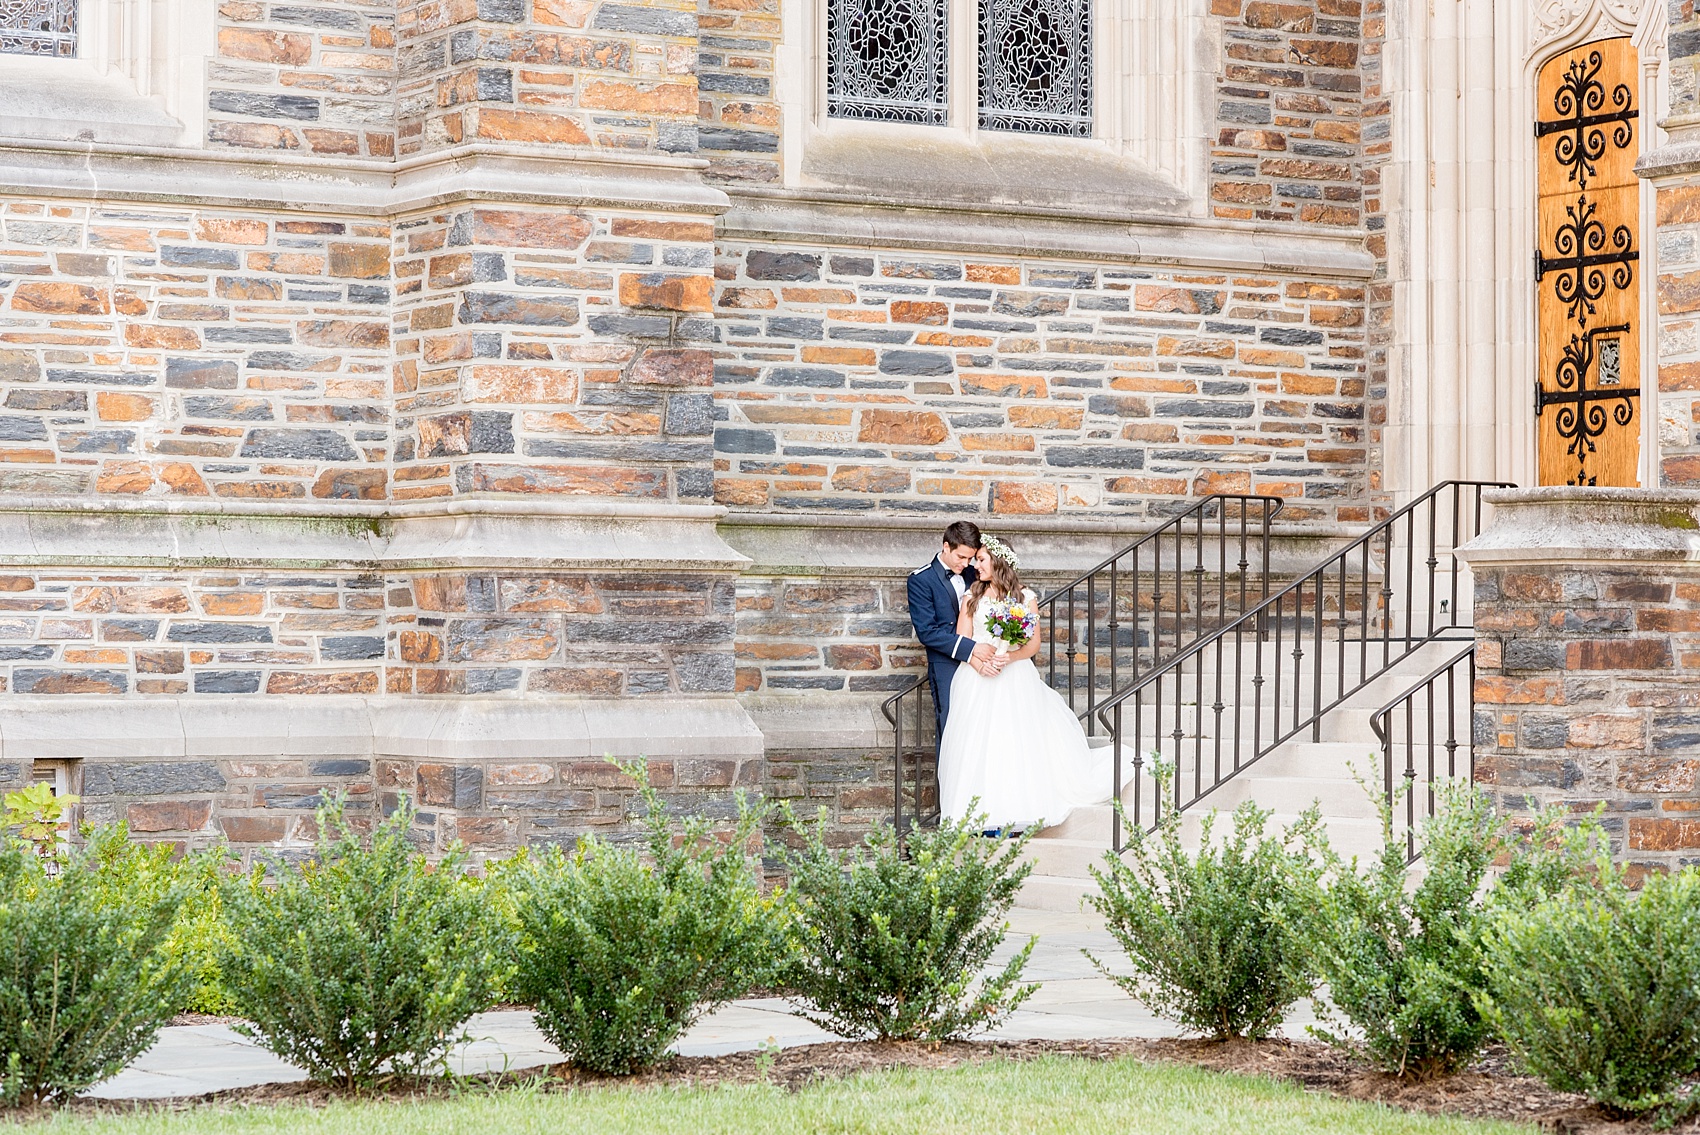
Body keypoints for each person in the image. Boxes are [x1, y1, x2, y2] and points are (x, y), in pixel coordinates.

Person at [936, 534, 1114, 832]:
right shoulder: (972, 596)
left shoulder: (1024, 597)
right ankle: (977, 815)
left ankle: (1014, 811)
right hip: (976, 678)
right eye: (975, 560)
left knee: (1012, 743)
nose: (975, 566)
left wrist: (1010, 657)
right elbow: (962, 639)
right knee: (977, 746)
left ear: (998, 561)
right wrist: (980, 663)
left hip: (1014, 677)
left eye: (980, 560)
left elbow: (1033, 646)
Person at [907, 521, 1005, 744]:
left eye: (970, 558)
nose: (966, 563)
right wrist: (972, 650)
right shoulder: (921, 580)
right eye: (961, 557)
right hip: (946, 665)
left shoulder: (977, 573)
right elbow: (927, 632)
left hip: (985, 666)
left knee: (985, 729)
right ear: (946, 547)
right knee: (952, 730)